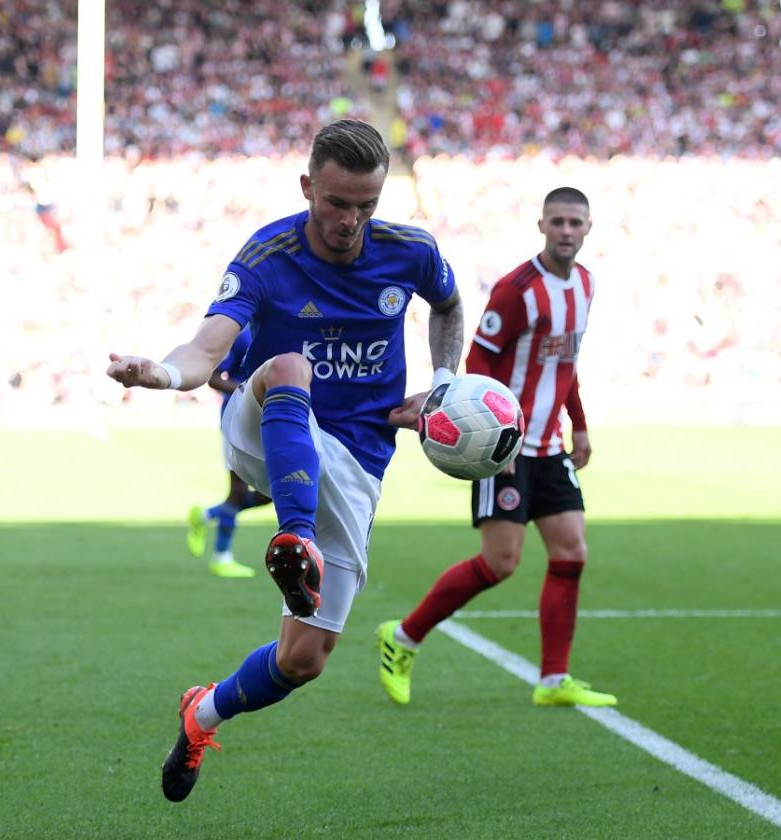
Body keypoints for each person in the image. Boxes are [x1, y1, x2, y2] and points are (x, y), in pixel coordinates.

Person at [106, 119, 464, 803]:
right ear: (307, 187)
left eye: (366, 205)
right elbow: (209, 346)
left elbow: (448, 305)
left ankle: (202, 713)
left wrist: (444, 384)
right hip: (264, 424)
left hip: (356, 460)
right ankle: (293, 537)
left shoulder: (410, 251)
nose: (350, 220)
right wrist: (163, 375)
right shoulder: (268, 256)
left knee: (303, 661)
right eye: (336, 203)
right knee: (289, 365)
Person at [375, 187, 616, 708]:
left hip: (551, 446)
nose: (567, 231)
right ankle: (403, 637)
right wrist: (492, 446)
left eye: (576, 222)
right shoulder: (517, 289)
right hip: (505, 445)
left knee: (571, 550)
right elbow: (479, 364)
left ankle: (553, 680)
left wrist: (579, 425)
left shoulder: (587, 285)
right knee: (501, 563)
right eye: (558, 221)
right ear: (542, 225)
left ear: (589, 227)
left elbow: (564, 365)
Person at [186, 325, 271, 578]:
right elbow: (212, 377)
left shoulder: (284, 325)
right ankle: (221, 556)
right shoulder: (238, 333)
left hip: (271, 422)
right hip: (237, 422)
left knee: (272, 493)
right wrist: (249, 393)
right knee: (237, 493)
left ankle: (207, 515)